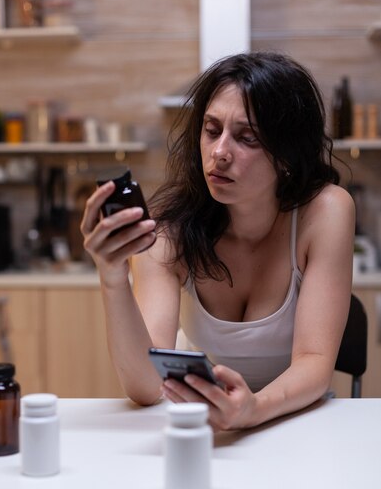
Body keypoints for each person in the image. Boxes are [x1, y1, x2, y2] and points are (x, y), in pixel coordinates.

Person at [81, 51, 355, 430]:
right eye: (211, 130)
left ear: (287, 157)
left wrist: (252, 410)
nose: (220, 152)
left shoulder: (326, 211)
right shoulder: (168, 231)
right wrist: (112, 277)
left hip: (296, 422)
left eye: (247, 138)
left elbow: (313, 361)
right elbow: (145, 387)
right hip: (204, 422)